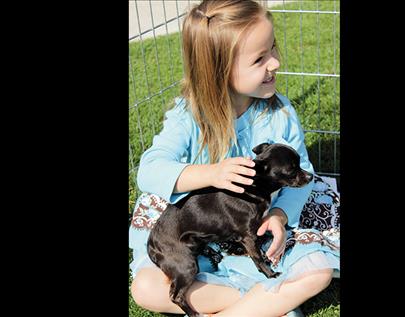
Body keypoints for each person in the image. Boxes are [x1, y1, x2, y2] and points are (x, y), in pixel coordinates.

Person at [129, 0, 340, 316]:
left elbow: (304, 173)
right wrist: (210, 174)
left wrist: (280, 215)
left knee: (318, 272)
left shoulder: (279, 114)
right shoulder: (188, 118)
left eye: (273, 49)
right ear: (219, 71)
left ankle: (248, 304)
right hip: (197, 231)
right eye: (259, 59)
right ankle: (265, 302)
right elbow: (149, 171)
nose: (275, 63)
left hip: (255, 230)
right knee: (145, 288)